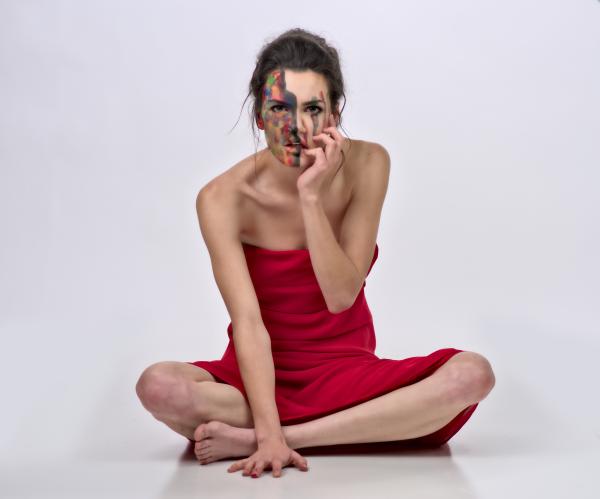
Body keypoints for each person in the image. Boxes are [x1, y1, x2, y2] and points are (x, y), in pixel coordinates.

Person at [135, 28, 495, 479]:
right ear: (259, 117)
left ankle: (281, 435)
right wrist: (266, 424)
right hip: (255, 380)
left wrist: (311, 198)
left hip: (346, 372)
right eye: (279, 109)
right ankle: (362, 426)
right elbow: (248, 323)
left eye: (311, 109)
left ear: (334, 115)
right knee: (159, 386)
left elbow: (341, 296)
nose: (296, 128)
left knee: (472, 375)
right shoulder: (221, 198)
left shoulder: (369, 164)